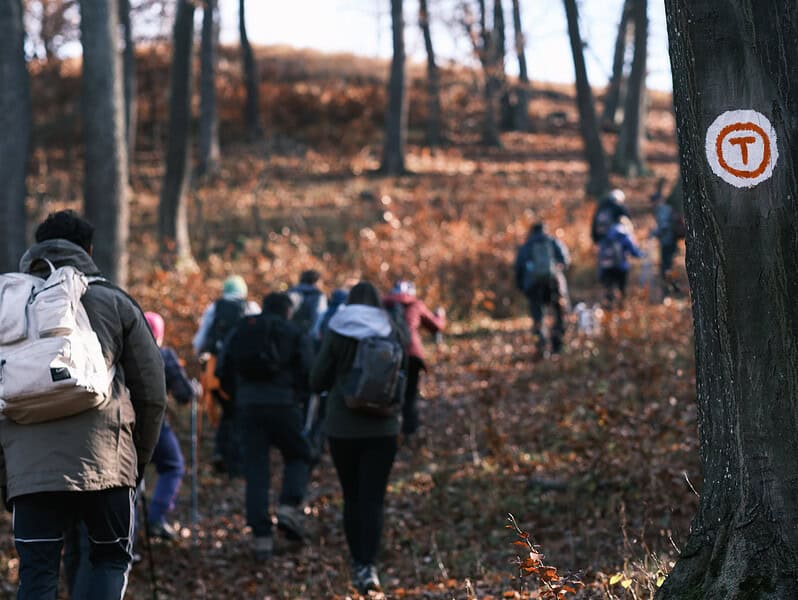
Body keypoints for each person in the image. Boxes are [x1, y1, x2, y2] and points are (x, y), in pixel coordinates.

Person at [0, 210, 166, 599]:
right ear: (88, 251)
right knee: (108, 560)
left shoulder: (8, 309)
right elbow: (153, 392)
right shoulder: (113, 301)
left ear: (35, 249)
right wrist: (135, 462)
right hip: (105, 462)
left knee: (37, 573)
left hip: (29, 469)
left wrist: (7, 476)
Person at [310, 281, 406, 594]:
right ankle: (369, 564)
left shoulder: (338, 327)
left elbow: (317, 379)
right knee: (374, 498)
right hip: (383, 426)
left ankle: (357, 563)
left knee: (352, 496)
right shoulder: (390, 326)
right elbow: (405, 370)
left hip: (343, 427)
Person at [216, 292, 313, 561]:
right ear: (287, 311)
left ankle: (261, 539)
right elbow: (308, 369)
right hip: (284, 405)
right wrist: (298, 398)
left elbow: (222, 370)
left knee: (256, 470)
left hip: (248, 408)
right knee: (299, 454)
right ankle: (288, 507)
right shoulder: (293, 330)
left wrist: (238, 400)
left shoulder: (242, 329)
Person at [193, 275, 259, 477]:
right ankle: (237, 462)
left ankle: (221, 452)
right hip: (243, 372)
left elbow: (200, 341)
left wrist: (202, 357)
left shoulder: (215, 308)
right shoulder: (251, 308)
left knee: (227, 413)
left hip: (217, 372)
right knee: (240, 414)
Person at [143, 311, 198, 540]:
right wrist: (195, 389)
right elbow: (185, 394)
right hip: (155, 425)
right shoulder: (164, 355)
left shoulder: (120, 354)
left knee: (130, 479)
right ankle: (156, 517)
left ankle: (129, 538)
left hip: (120, 426)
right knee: (173, 465)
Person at [382, 281, 446, 438]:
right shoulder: (416, 304)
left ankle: (389, 430)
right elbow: (435, 326)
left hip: (388, 355)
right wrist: (440, 316)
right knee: (410, 394)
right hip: (412, 354)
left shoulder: (383, 304)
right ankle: (410, 431)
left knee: (389, 393)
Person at [514, 223, 571, 354]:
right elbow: (565, 260)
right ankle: (558, 344)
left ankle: (542, 346)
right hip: (554, 284)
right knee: (559, 314)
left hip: (534, 286)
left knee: (538, 316)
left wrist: (522, 287)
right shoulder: (553, 241)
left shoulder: (526, 246)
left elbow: (518, 269)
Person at [598, 218, 645, 307]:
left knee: (609, 289)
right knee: (622, 289)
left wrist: (600, 271)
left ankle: (609, 309)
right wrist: (642, 255)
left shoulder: (607, 233)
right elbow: (633, 250)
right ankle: (621, 308)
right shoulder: (624, 234)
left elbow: (601, 253)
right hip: (621, 266)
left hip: (607, 267)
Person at [650, 180, 682, 298]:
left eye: (653, 201)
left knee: (666, 266)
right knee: (667, 266)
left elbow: (664, 227)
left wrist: (654, 233)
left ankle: (671, 289)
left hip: (668, 242)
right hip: (669, 241)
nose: (652, 204)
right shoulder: (665, 209)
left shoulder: (662, 210)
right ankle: (672, 288)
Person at [288, 269, 328, 340]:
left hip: (289, 333)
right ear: (316, 281)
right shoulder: (318, 296)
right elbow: (319, 318)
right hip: (308, 336)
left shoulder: (291, 292)